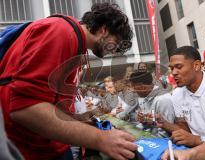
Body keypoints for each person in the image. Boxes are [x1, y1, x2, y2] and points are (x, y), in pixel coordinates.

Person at [0, 3, 137, 160]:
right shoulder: (61, 32)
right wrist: (99, 139)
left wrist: (87, 125)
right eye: (116, 44)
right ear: (104, 30)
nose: (114, 51)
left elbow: (51, 105)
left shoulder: (75, 45)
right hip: (30, 150)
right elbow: (24, 108)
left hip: (45, 147)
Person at [157, 46, 205, 147]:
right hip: (197, 149)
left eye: (179, 67)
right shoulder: (177, 94)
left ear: (196, 65)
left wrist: (198, 140)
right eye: (172, 68)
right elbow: (185, 131)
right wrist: (163, 123)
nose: (173, 73)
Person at [129, 71, 174, 137]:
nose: (133, 91)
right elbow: (147, 124)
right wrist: (143, 121)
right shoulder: (142, 97)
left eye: (134, 88)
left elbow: (166, 133)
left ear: (142, 87)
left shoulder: (163, 99)